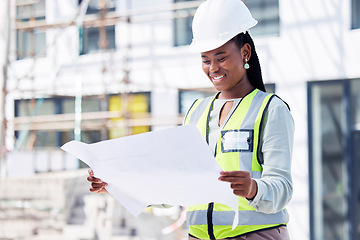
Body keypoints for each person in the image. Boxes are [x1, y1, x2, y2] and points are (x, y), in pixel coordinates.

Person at [88, 0, 294, 239]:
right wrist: (116, 184)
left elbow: (283, 188)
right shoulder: (196, 112)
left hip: (255, 235)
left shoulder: (270, 109)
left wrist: (253, 189)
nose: (213, 68)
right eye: (206, 60)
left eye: (221, 57)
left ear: (245, 52)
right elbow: (176, 187)